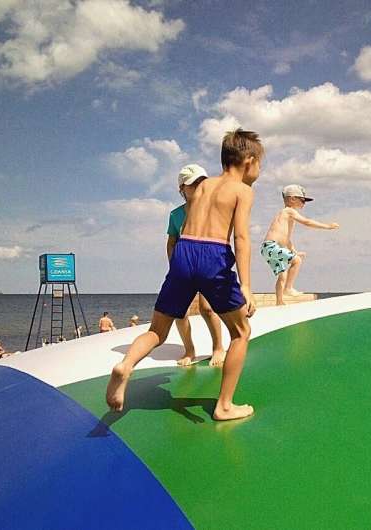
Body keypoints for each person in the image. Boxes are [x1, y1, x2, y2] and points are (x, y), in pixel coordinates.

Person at [106, 128, 262, 421]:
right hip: (212, 255)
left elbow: (188, 227)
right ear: (249, 160)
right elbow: (241, 238)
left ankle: (126, 365)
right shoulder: (243, 191)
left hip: (183, 252)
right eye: (260, 164)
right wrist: (247, 285)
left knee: (157, 331)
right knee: (241, 332)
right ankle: (224, 405)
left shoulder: (202, 187)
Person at [167, 164, 228, 367]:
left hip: (208, 265)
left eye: (203, 182)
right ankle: (189, 349)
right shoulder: (176, 215)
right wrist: (174, 268)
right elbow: (171, 242)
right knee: (180, 311)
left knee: (207, 308)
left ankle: (218, 347)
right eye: (193, 184)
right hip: (184, 267)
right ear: (182, 189)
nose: (199, 187)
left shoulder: (214, 209)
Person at [261, 184, 339, 305]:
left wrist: (294, 251)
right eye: (302, 200)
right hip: (272, 246)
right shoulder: (289, 211)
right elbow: (307, 222)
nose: (304, 203)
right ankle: (288, 289)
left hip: (267, 248)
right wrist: (327, 226)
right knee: (296, 261)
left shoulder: (284, 216)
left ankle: (279, 301)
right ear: (292, 199)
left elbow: (286, 239)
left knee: (282, 275)